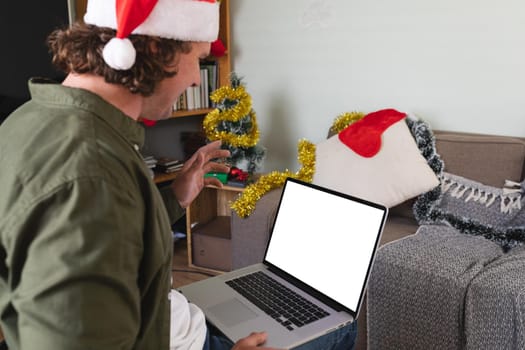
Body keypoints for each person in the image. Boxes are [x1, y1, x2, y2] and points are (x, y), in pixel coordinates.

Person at [0, 0, 357, 349]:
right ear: (157, 47)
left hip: (173, 322)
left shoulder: (31, 119)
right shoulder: (92, 175)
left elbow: (119, 239)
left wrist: (178, 196)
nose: (193, 80)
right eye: (198, 61)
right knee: (343, 330)